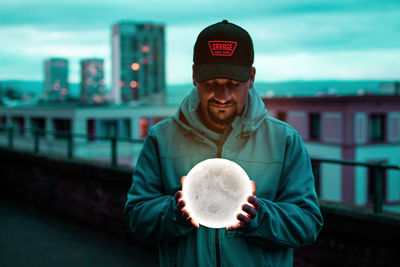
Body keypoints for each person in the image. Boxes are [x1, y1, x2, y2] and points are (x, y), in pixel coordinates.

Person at [124, 20, 323, 267]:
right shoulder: (161, 138)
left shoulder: (284, 140)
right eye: (212, 85)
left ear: (251, 78)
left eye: (232, 85)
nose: (222, 97)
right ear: (195, 76)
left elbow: (308, 223)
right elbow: (136, 215)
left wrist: (259, 217)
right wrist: (175, 212)